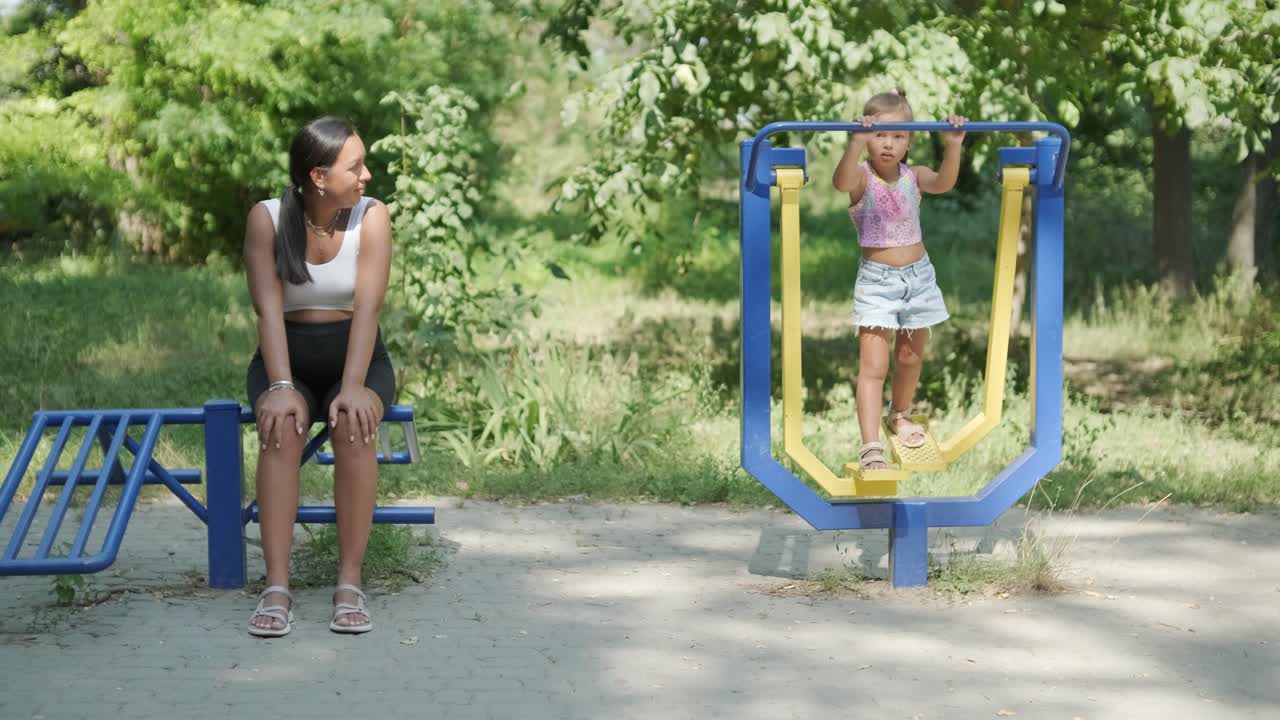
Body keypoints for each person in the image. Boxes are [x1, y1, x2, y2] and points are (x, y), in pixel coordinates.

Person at [243, 116, 395, 636]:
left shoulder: (372, 217)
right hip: (284, 358)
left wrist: (353, 387)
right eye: (356, 166)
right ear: (319, 176)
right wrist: (281, 387)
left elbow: (368, 310)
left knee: (353, 424)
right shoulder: (266, 219)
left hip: (359, 357)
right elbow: (267, 311)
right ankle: (276, 587)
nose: (366, 175)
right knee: (282, 429)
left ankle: (349, 583)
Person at [830, 90, 967, 472]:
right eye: (879, 135)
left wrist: (953, 145)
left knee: (910, 357)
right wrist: (854, 144)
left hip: (919, 278)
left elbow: (944, 182)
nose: (888, 144)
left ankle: (899, 414)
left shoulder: (915, 176)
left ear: (910, 140)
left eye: (898, 136)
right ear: (867, 137)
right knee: (873, 366)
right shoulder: (861, 177)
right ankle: (870, 446)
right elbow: (840, 182)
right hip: (878, 283)